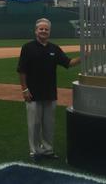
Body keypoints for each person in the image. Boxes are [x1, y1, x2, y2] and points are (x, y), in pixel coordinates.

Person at [17, 18, 80, 162]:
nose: (44, 31)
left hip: (50, 93)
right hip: (33, 93)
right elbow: (22, 71)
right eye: (41, 29)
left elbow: (68, 63)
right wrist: (24, 89)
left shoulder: (54, 49)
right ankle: (34, 151)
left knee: (49, 124)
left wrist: (83, 57)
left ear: (49, 32)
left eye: (46, 29)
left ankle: (48, 150)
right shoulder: (27, 47)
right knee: (34, 124)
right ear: (36, 31)